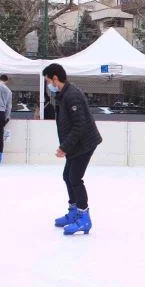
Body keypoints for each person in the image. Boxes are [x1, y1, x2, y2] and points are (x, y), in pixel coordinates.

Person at [43, 64, 103, 235]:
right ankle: (74, 212)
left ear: (55, 78)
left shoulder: (72, 96)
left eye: (48, 80)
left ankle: (84, 218)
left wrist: (64, 147)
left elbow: (80, 125)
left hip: (85, 142)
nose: (48, 84)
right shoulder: (62, 95)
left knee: (75, 178)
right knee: (67, 176)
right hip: (76, 143)